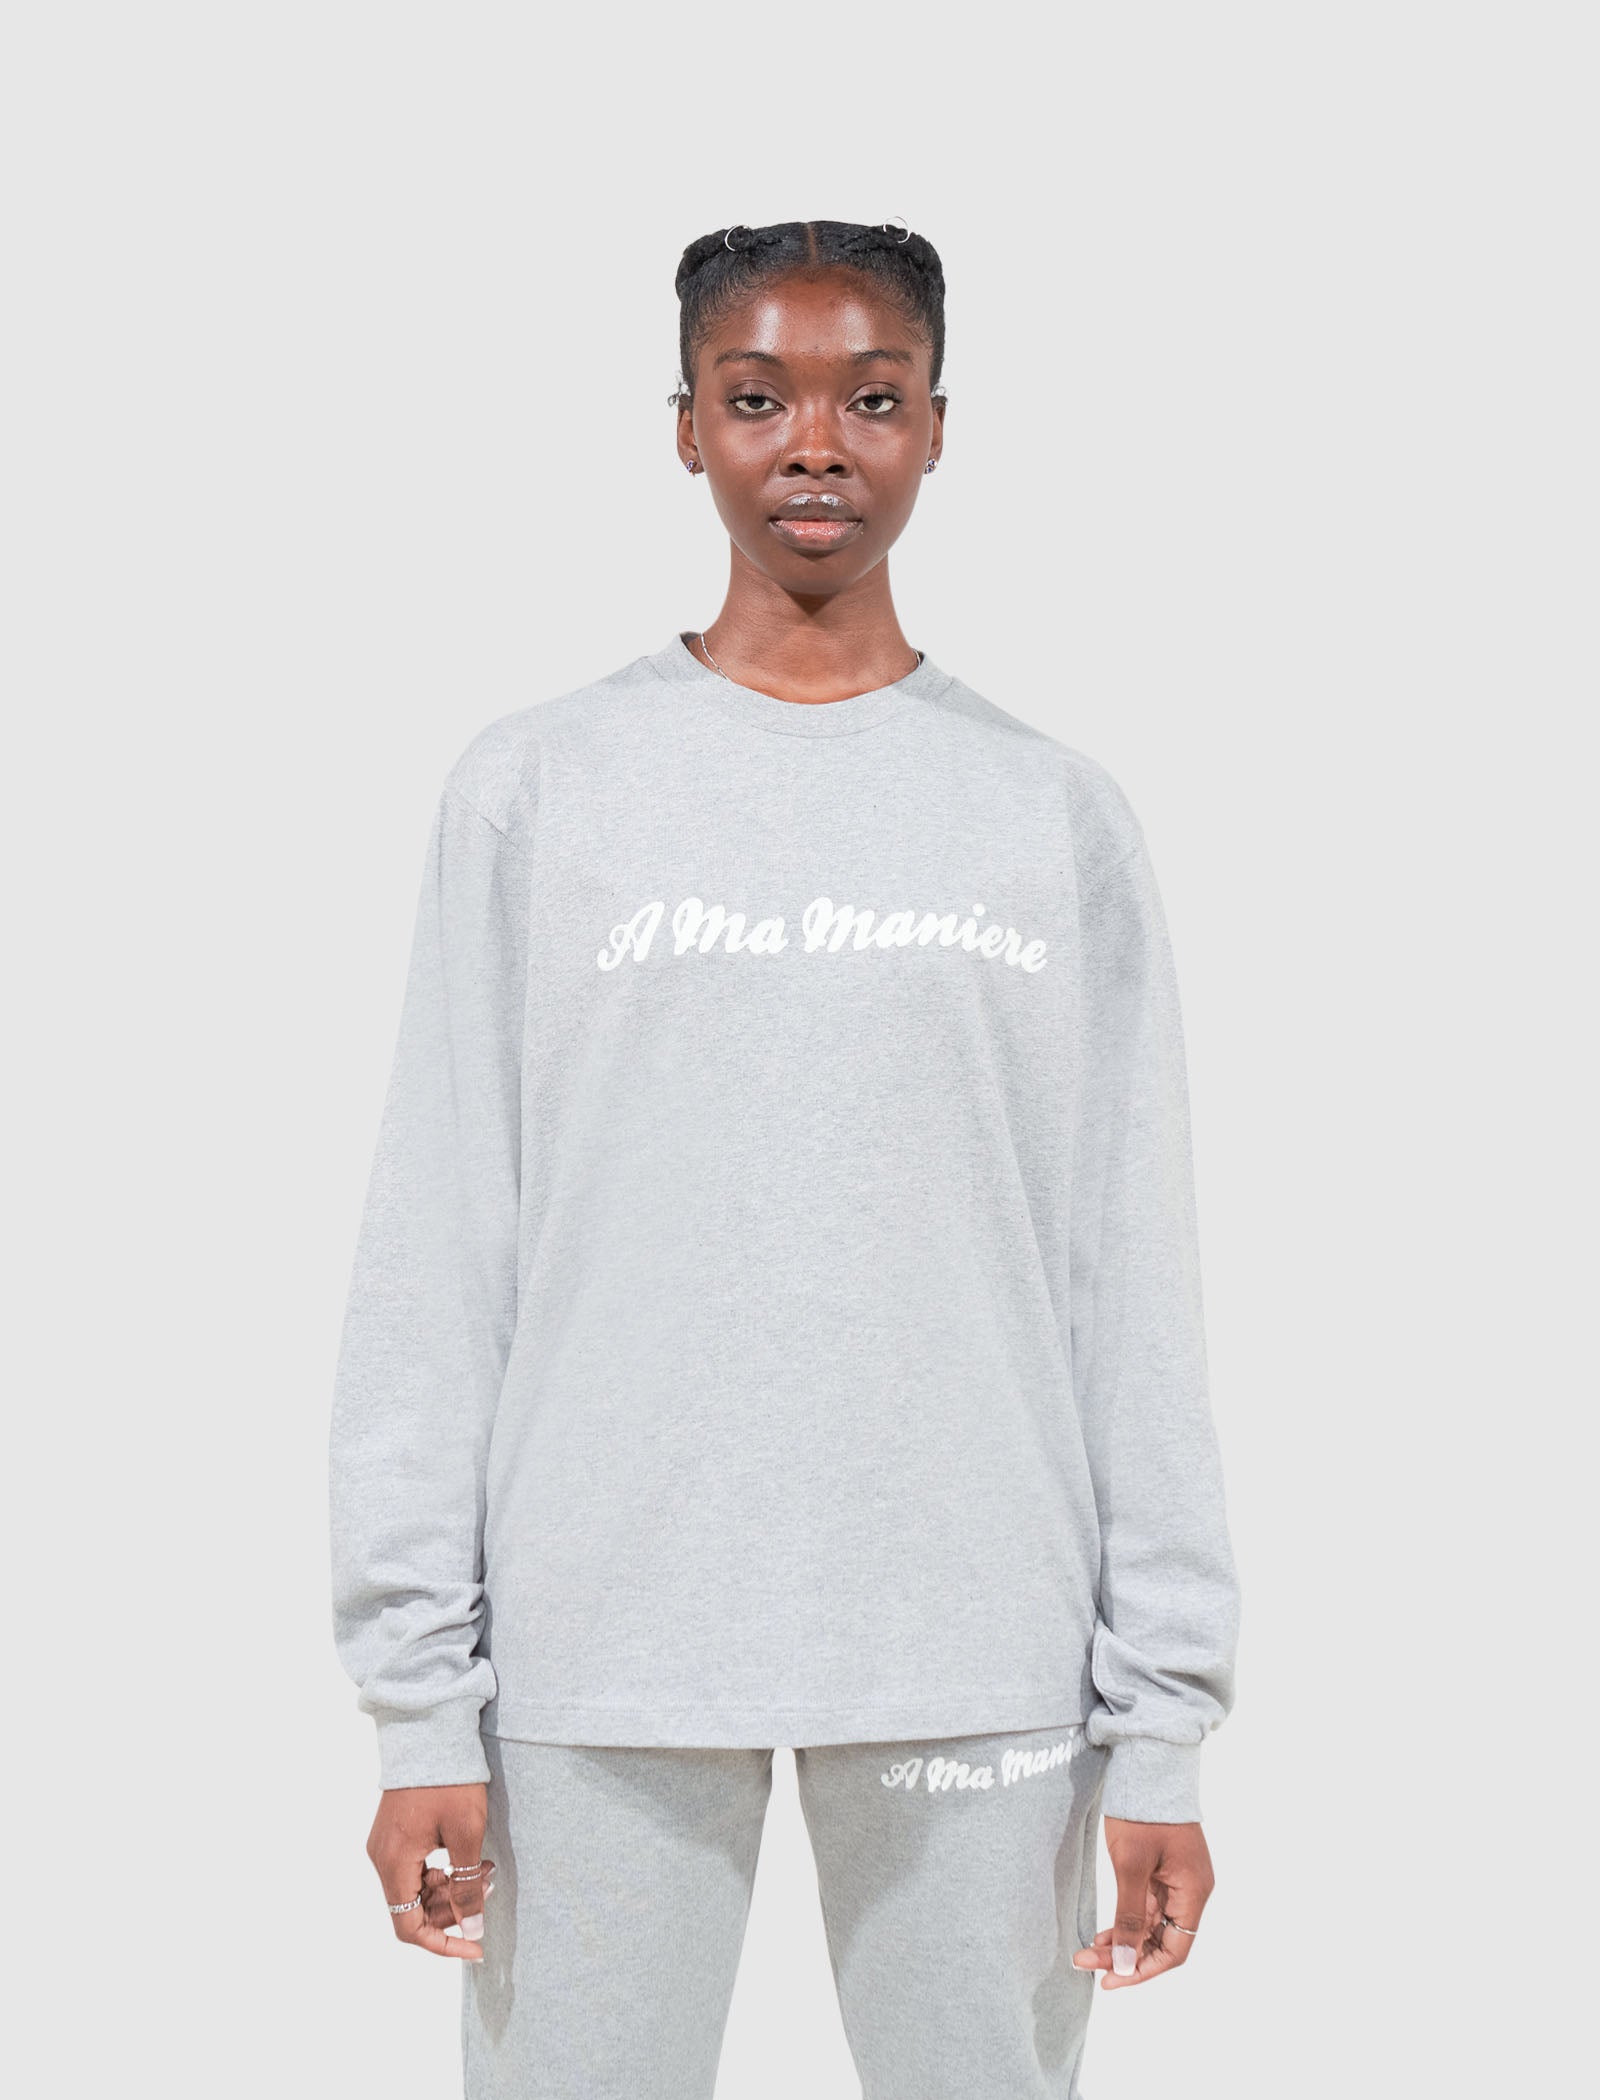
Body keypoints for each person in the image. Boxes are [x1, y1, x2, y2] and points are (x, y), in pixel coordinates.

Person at [328, 216, 1241, 2099]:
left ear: (937, 426)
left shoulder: (1048, 816)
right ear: (686, 427)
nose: (815, 443)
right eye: (758, 399)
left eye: (870, 399)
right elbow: (443, 1246)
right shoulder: (536, 792)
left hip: (975, 1643)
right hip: (598, 1648)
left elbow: (1127, 1281)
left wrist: (1161, 1727)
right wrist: (421, 1700)